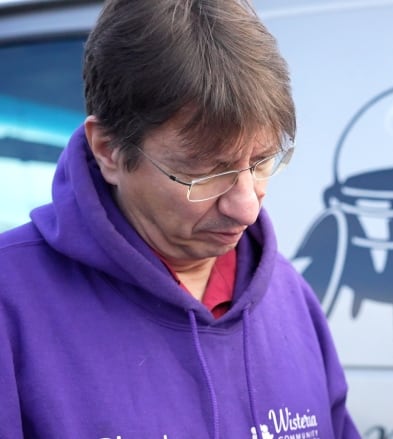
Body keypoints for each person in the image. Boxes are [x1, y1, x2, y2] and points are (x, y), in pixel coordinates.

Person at [0, 1, 360, 438]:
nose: (247, 207)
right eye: (206, 172)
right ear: (109, 151)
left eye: (262, 161)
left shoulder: (291, 297)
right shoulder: (12, 303)